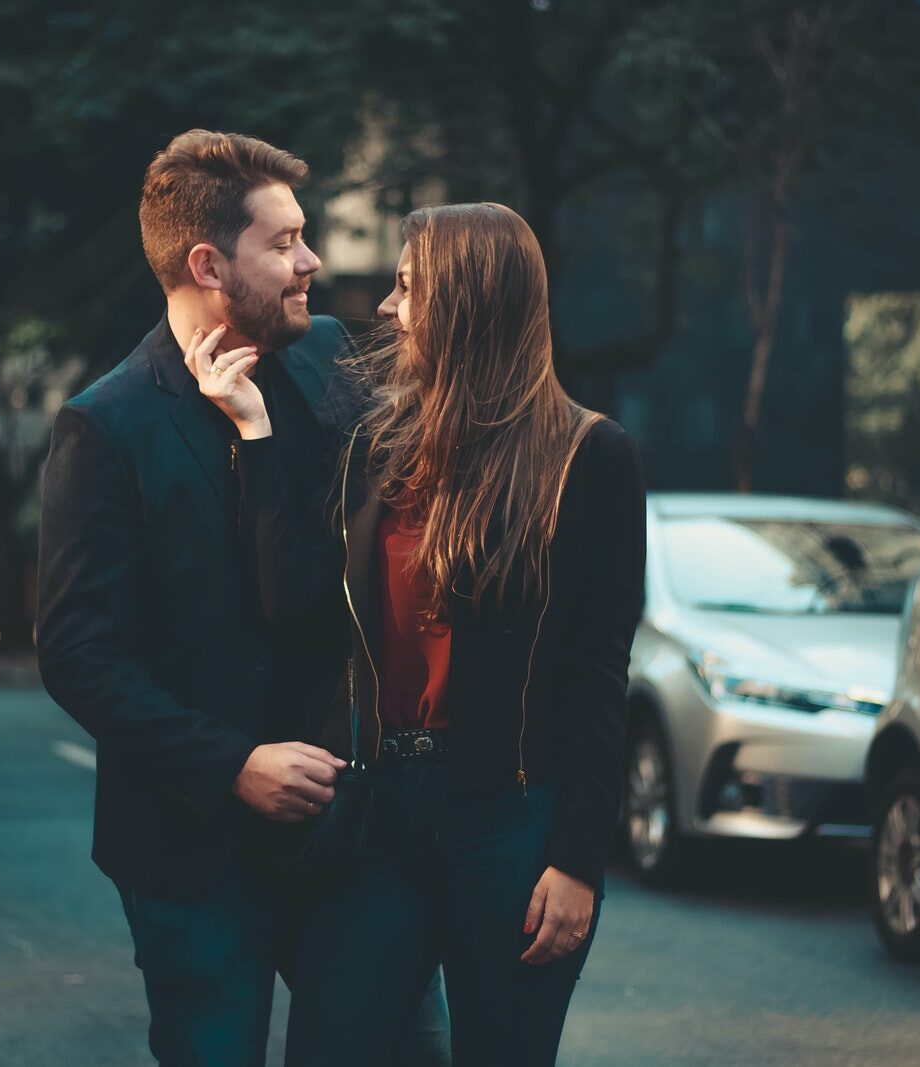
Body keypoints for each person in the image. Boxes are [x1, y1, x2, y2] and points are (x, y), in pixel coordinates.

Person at [191, 202, 647, 1066]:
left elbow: (597, 673)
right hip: (380, 813)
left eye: (409, 289)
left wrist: (579, 859)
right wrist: (251, 428)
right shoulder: (377, 443)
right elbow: (295, 598)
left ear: (467, 303)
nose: (390, 310)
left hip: (510, 816)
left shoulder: (591, 457)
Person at [36, 129, 447, 1066]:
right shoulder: (107, 425)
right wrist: (232, 763)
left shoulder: (330, 356)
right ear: (208, 263)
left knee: (408, 1052)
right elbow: (77, 653)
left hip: (352, 835)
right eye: (286, 243)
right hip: (192, 853)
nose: (312, 263)